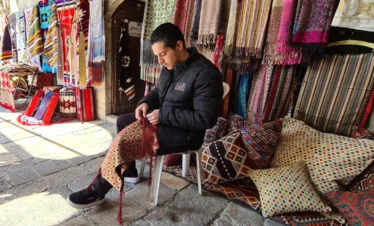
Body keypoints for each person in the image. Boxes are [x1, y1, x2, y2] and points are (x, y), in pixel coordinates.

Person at [67, 23, 223, 209]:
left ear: (179, 46)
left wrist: (164, 115)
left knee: (125, 140)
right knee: (123, 121)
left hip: (186, 134)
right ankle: (130, 171)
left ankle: (96, 191)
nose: (159, 61)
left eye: (162, 54)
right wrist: (145, 102)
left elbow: (205, 119)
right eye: (157, 55)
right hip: (165, 122)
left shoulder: (206, 73)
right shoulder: (171, 67)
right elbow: (159, 92)